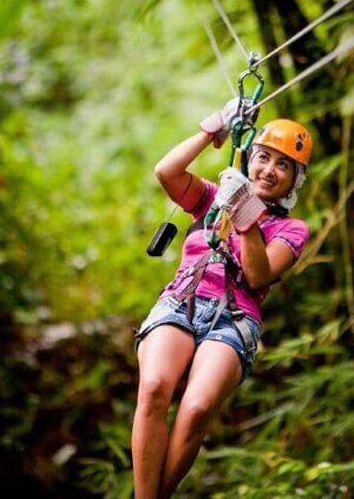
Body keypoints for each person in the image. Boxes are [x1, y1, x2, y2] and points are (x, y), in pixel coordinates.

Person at [130, 98, 313, 499]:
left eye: (283, 165)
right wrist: (214, 128)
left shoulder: (293, 229)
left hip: (234, 318)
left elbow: (258, 274)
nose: (269, 170)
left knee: (195, 410)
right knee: (156, 385)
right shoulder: (211, 197)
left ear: (294, 179)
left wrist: (244, 211)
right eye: (263, 157)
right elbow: (167, 171)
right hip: (184, 299)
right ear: (249, 156)